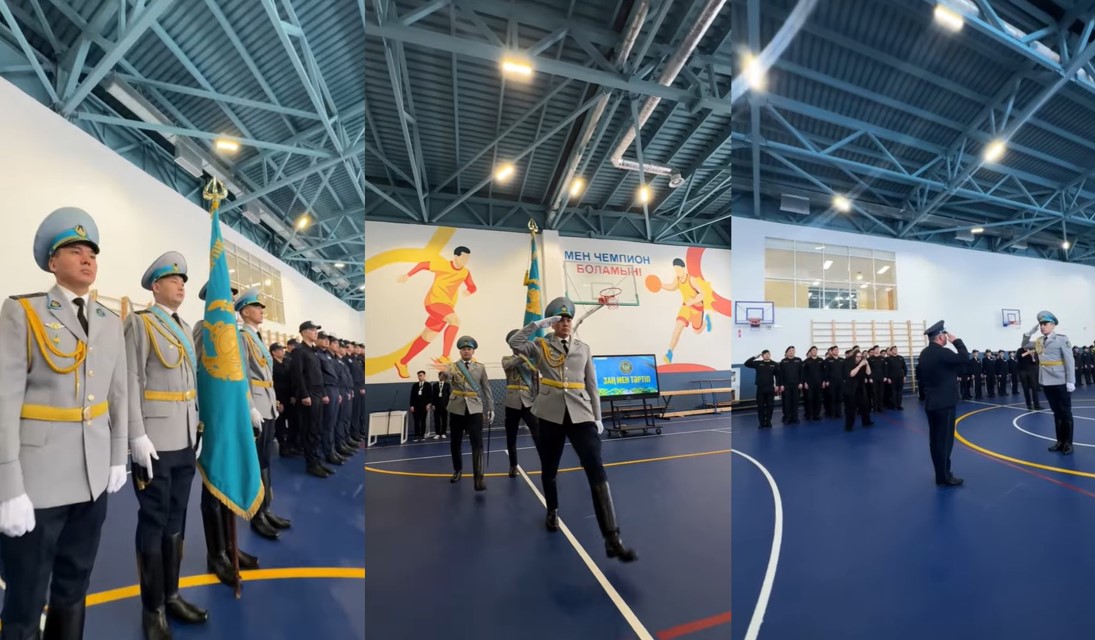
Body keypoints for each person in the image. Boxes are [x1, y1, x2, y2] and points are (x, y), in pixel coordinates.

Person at [0, 208, 129, 638]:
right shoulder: (24, 311)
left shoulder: (110, 322)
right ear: (53, 262)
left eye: (92, 252)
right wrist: (7, 486)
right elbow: (4, 399)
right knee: (25, 597)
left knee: (74, 588)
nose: (87, 258)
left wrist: (117, 456)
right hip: (37, 483)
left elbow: (118, 394)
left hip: (92, 479)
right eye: (75, 250)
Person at [510, 297, 637, 563]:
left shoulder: (583, 348)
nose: (565, 323)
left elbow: (592, 384)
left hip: (581, 414)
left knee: (596, 467)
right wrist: (537, 325)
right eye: (560, 320)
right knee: (549, 467)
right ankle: (552, 509)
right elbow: (515, 343)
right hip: (549, 414)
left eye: (568, 319)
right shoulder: (541, 345)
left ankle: (612, 537)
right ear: (553, 323)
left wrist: (598, 417)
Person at [125, 252, 210, 637]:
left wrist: (198, 428)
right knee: (154, 522)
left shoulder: (185, 327)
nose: (181, 285)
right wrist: (136, 434)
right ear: (156, 286)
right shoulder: (140, 323)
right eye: (174, 279)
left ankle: (172, 595)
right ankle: (152, 608)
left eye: (183, 280)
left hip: (185, 438)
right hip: (155, 441)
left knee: (177, 519)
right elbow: (130, 381)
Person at [195, 282, 261, 582]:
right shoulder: (203, 328)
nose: (229, 301)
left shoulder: (234, 330)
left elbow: (241, 375)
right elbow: (198, 373)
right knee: (213, 486)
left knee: (229, 479)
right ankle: (216, 554)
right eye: (225, 296)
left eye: (232, 297)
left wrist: (247, 406)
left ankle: (231, 546)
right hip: (214, 418)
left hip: (234, 415)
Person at [235, 287, 292, 537]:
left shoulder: (256, 337)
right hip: (256, 406)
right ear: (245, 312)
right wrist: (249, 406)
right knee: (257, 461)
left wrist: (273, 401)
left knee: (266, 460)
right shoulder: (242, 337)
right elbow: (242, 375)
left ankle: (266, 509)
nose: (261, 311)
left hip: (266, 403)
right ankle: (256, 515)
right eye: (256, 307)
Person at [918, 320, 969, 487]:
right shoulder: (943, 352)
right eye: (945, 335)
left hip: (931, 403)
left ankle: (940, 474)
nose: (946, 338)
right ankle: (944, 477)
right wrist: (957, 341)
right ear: (940, 337)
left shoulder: (924, 353)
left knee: (935, 441)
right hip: (944, 403)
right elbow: (964, 358)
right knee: (945, 442)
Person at [1021, 311, 1076, 454]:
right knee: (1056, 412)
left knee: (1065, 413)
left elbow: (1070, 361)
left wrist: (1071, 381)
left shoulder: (1062, 339)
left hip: (1061, 381)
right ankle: (1060, 441)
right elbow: (1024, 344)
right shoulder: (1039, 340)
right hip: (1046, 381)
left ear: (1052, 325)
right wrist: (1030, 332)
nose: (1042, 326)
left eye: (1045, 324)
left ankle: (1068, 443)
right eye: (1040, 324)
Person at [443, 336, 493, 490]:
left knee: (477, 442)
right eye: (464, 349)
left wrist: (490, 407)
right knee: (455, 442)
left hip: (475, 408)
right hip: (456, 407)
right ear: (460, 351)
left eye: (469, 349)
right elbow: (446, 376)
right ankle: (457, 470)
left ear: (473, 351)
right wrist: (444, 372)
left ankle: (479, 476)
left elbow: (486, 388)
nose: (466, 351)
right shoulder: (453, 366)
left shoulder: (480, 367)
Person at [290, 321, 330, 477]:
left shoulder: (314, 352)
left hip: (318, 393)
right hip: (309, 394)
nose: (315, 332)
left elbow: (319, 375)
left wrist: (324, 393)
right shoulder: (299, 351)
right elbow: (297, 375)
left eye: (316, 330)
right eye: (312, 330)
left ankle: (318, 461)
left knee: (317, 429)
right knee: (309, 430)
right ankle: (311, 464)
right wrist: (304, 394)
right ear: (304, 332)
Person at [502, 329, 541, 474]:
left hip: (529, 401)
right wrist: (523, 356)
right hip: (512, 402)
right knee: (511, 436)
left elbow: (535, 381)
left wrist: (537, 399)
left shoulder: (531, 360)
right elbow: (509, 366)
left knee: (537, 434)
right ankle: (513, 465)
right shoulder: (506, 358)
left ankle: (546, 462)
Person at [743, 350, 778, 428]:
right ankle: (761, 423)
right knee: (760, 406)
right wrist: (755, 357)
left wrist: (777, 385)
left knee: (770, 406)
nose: (766, 355)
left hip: (770, 388)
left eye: (768, 354)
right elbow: (746, 363)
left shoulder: (774, 364)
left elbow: (777, 375)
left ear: (770, 355)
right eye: (765, 354)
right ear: (762, 356)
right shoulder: (758, 363)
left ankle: (768, 422)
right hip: (760, 389)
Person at [842, 349, 873, 431]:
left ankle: (866, 422)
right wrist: (859, 366)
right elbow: (851, 374)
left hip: (860, 388)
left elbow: (869, 373)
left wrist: (867, 364)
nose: (859, 358)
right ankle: (849, 426)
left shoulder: (862, 363)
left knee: (865, 406)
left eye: (860, 356)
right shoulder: (848, 363)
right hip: (850, 389)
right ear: (854, 356)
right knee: (851, 409)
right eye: (857, 356)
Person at [408, 370, 435, 441]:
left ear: (424, 376)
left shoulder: (428, 385)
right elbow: (412, 396)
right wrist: (412, 405)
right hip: (416, 406)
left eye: (421, 375)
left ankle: (422, 435)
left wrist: (429, 404)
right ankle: (417, 435)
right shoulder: (415, 385)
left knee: (423, 421)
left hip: (424, 406)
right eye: (418, 376)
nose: (419, 377)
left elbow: (430, 395)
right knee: (416, 421)